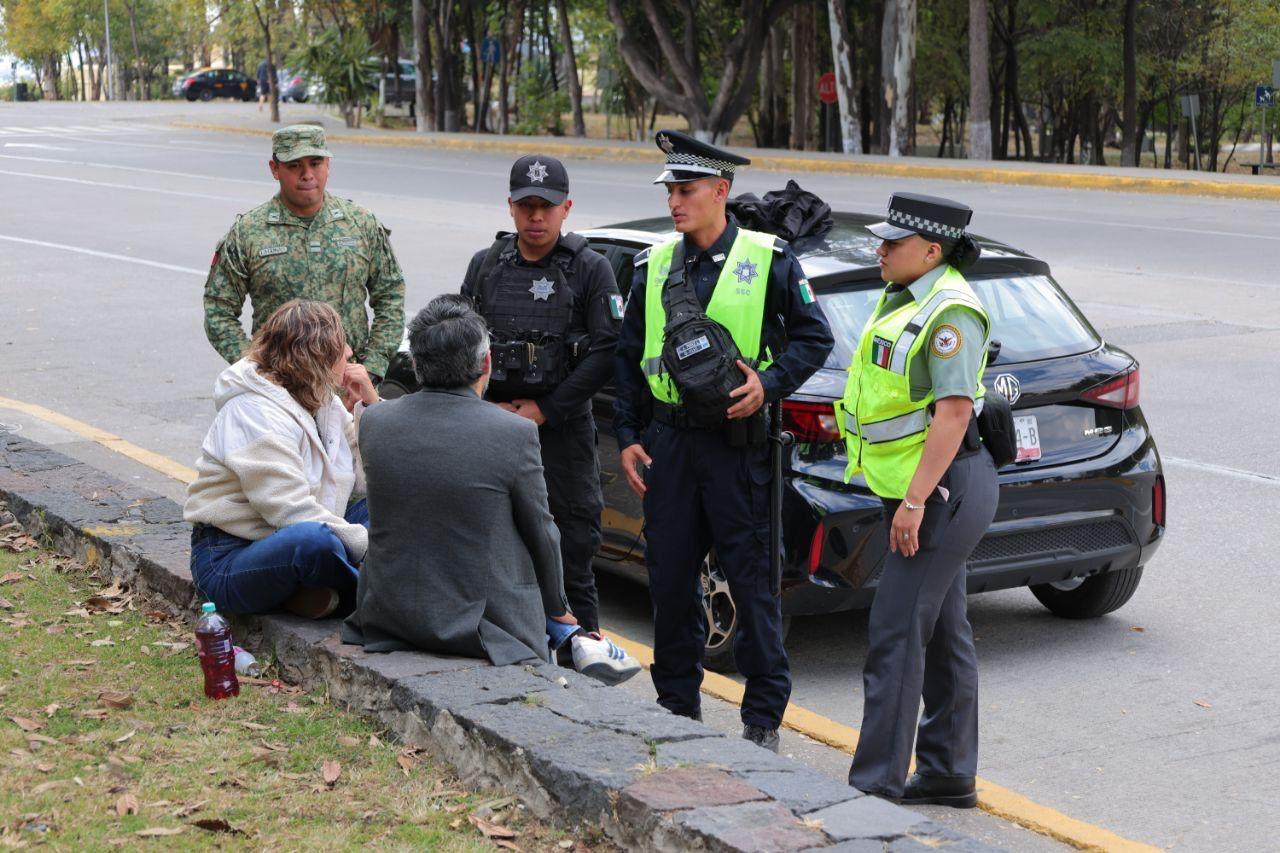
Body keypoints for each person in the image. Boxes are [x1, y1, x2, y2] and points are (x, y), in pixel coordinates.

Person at [613, 130, 834, 750]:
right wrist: (630, 434)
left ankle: (762, 720)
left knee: (754, 583)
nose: (674, 202)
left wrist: (769, 384)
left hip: (741, 449)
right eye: (670, 191)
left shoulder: (770, 259)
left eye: (686, 190)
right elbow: (631, 357)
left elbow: (814, 339)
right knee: (672, 583)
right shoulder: (655, 265)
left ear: (721, 191)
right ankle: (676, 708)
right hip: (673, 448)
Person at [836, 193, 999, 808]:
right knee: (945, 630)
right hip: (928, 487)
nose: (879, 249)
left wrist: (914, 501)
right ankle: (949, 770)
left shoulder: (951, 312)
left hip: (940, 491)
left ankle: (873, 785)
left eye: (892, 242)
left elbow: (954, 414)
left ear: (932, 251)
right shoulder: (909, 294)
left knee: (896, 632)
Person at [460, 154, 639, 683]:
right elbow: (463, 341)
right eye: (526, 206)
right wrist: (485, 407)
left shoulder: (590, 268)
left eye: (547, 206)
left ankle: (585, 656)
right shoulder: (486, 264)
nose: (536, 217)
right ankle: (505, 658)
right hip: (494, 422)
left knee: (575, 541)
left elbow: (609, 351)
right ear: (511, 207)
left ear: (567, 208)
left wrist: (544, 409)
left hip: (561, 427)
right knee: (492, 536)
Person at [342, 295, 580, 667]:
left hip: (389, 615)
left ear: (416, 364)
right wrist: (558, 607)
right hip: (481, 626)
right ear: (486, 362)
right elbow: (542, 532)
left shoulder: (376, 421)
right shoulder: (514, 432)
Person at [185, 299, 379, 619]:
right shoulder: (252, 412)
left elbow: (370, 476)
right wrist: (372, 544)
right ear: (315, 357)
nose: (349, 352)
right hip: (229, 560)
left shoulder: (323, 402)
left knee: (392, 506)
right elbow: (290, 511)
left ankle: (309, 592)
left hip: (300, 536)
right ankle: (381, 598)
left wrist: (369, 409)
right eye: (339, 345)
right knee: (312, 542)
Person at [203, 124, 406, 382]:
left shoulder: (360, 223)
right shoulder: (248, 232)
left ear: (328, 165)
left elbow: (391, 293)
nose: (307, 174)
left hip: (346, 384)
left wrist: (374, 365)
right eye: (294, 165)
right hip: (279, 389)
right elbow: (218, 309)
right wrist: (253, 368)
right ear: (275, 169)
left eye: (315, 163)